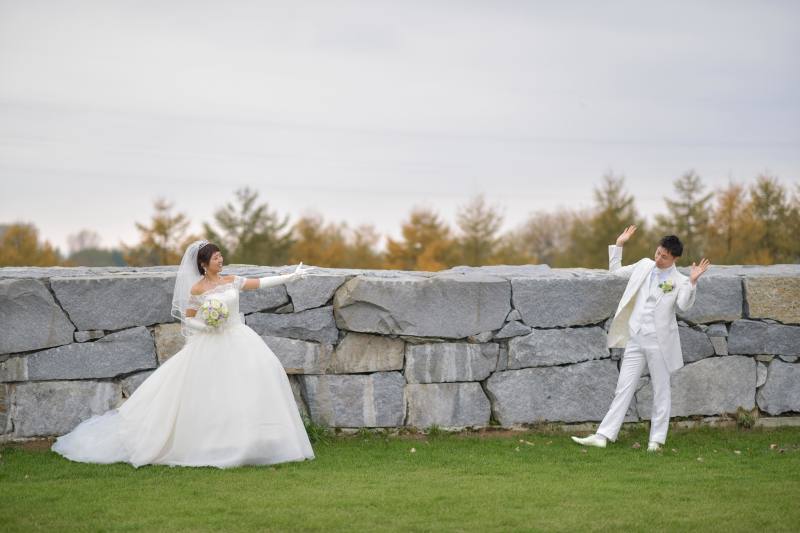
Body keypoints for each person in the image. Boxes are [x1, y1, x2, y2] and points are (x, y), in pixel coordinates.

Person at [52, 240, 316, 468]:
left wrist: (291, 277)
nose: (221, 260)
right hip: (211, 343)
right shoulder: (198, 290)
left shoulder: (231, 281)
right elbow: (188, 319)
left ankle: (249, 441)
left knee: (249, 384)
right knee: (211, 392)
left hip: (239, 338)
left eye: (221, 256)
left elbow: (260, 283)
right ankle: (210, 443)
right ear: (203, 264)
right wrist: (208, 326)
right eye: (216, 258)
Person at [572, 226, 710, 452]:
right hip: (636, 337)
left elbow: (684, 305)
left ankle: (656, 441)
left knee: (661, 390)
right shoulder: (644, 265)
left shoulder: (680, 280)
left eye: (664, 257)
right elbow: (615, 272)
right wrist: (619, 244)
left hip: (660, 343)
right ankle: (603, 436)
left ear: (674, 259)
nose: (658, 258)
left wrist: (693, 282)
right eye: (657, 253)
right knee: (623, 387)